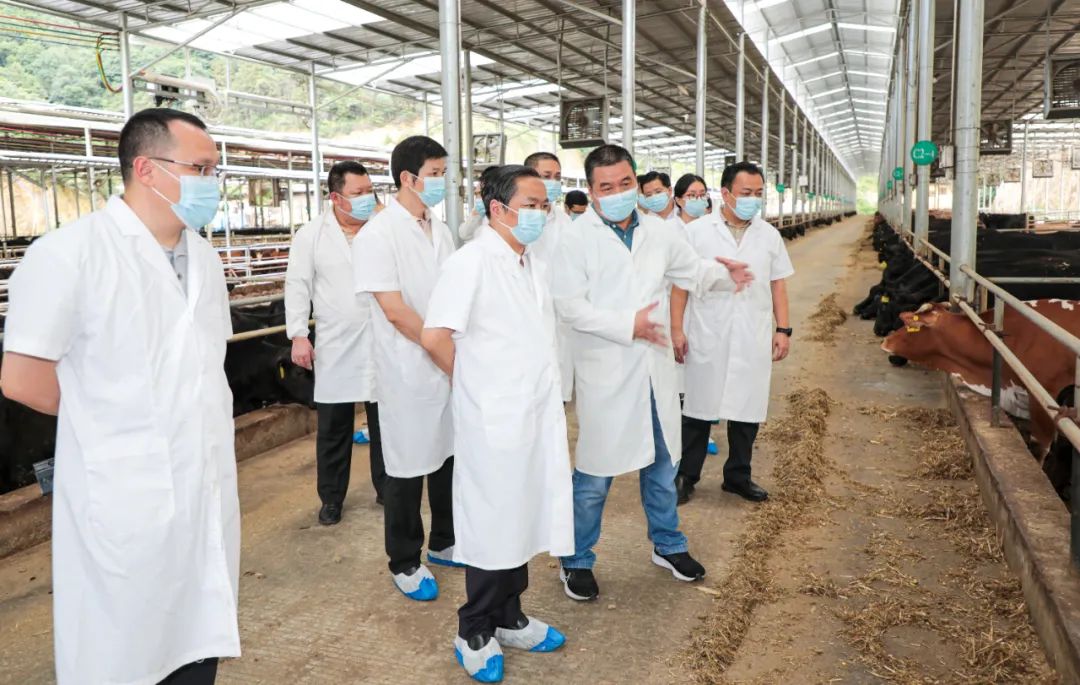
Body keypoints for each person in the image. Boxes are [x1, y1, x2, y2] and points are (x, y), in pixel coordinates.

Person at [0, 108, 238, 684]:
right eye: (201, 169)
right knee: (122, 652)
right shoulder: (69, 253)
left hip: (203, 486)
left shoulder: (204, 259)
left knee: (196, 640)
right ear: (147, 169)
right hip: (124, 492)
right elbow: (21, 377)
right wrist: (114, 418)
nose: (212, 184)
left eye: (215, 171)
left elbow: (205, 363)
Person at [551, 144, 753, 601]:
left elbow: (691, 271)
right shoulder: (574, 238)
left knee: (664, 465)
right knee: (594, 477)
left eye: (626, 183)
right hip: (607, 369)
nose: (618, 193)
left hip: (654, 369)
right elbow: (568, 307)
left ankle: (668, 544)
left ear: (636, 182)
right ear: (591, 190)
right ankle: (576, 557)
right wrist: (628, 326)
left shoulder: (658, 232)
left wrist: (728, 276)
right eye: (606, 187)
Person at [421, 165, 573, 683]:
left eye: (544, 204)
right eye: (531, 204)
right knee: (492, 523)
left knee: (522, 514)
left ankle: (510, 616)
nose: (540, 213)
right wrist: (477, 387)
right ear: (498, 209)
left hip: (531, 413)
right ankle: (475, 627)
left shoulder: (529, 260)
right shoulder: (472, 262)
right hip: (495, 418)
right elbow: (435, 337)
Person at [353, 135, 459, 601]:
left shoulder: (440, 229)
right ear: (408, 178)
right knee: (406, 465)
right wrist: (441, 352)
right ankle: (404, 559)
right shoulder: (378, 234)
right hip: (407, 367)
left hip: (444, 359)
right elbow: (395, 311)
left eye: (443, 173)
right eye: (435, 174)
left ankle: (445, 541)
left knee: (447, 455)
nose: (441, 182)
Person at [675, 161, 794, 505]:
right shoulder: (697, 232)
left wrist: (783, 329)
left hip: (751, 332)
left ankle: (738, 476)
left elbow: (778, 284)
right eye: (746, 193)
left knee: (747, 408)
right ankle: (687, 475)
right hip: (706, 331)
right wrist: (676, 330)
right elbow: (680, 284)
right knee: (697, 408)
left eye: (758, 193)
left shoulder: (768, 235)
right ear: (726, 193)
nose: (753, 199)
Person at [286, 160, 384, 525]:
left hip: (383, 337)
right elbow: (297, 284)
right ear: (336, 198)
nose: (366, 198)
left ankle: (387, 487)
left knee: (386, 422)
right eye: (358, 193)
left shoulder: (384, 228)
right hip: (336, 342)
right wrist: (299, 334)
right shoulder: (312, 235)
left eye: (369, 191)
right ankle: (331, 498)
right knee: (333, 427)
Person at [523, 151, 574, 402]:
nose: (553, 182)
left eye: (557, 176)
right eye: (546, 176)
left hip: (561, 318)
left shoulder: (566, 223)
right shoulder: (518, 220)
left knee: (557, 395)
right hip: (526, 317)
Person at [459, 165, 502, 244]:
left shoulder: (507, 211)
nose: (478, 199)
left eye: (480, 193)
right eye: (477, 194)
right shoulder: (479, 211)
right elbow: (464, 234)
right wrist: (476, 214)